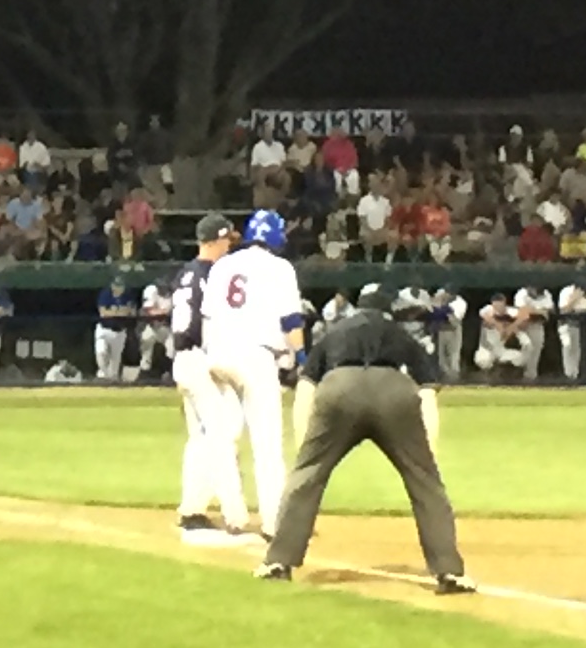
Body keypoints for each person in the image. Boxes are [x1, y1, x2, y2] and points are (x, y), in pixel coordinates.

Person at [257, 285, 473, 594]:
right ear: (389, 309)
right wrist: (429, 450)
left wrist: (305, 445)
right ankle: (450, 571)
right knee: (425, 484)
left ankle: (278, 562)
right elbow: (426, 390)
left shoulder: (335, 332)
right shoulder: (400, 334)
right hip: (393, 393)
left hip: (338, 390)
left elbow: (306, 386)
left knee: (306, 477)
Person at [200, 207, 305, 540]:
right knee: (267, 443)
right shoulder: (280, 268)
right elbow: (291, 322)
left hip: (217, 354)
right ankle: (275, 523)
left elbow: (208, 316)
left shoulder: (224, 265)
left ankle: (233, 515)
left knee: (223, 437)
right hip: (255, 356)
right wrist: (300, 358)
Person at [170, 212, 252, 541]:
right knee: (223, 434)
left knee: (202, 438)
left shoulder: (186, 273)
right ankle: (235, 515)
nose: (229, 247)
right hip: (203, 360)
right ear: (216, 241)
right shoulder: (213, 276)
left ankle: (192, 509)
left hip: (185, 358)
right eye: (226, 241)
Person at [93, 275, 139, 383]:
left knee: (115, 362)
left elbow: (132, 312)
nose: (118, 288)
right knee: (101, 351)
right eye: (116, 285)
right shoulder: (106, 294)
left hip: (119, 332)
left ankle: (112, 382)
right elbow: (103, 313)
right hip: (104, 330)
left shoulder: (128, 296)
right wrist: (121, 312)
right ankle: (103, 375)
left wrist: (114, 312)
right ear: (112, 286)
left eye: (120, 286)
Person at [556, 273, 586, 381]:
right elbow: (563, 311)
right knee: (568, 346)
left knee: (577, 350)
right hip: (565, 324)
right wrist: (574, 299)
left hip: (580, 326)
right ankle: (567, 374)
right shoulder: (566, 292)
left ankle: (574, 376)